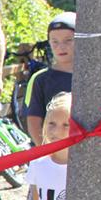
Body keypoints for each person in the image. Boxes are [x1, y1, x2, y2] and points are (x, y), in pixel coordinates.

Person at [22, 13, 75, 144]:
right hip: (53, 151)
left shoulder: (92, 76)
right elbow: (34, 120)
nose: (61, 47)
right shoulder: (40, 79)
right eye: (55, 42)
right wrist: (46, 154)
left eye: (68, 40)